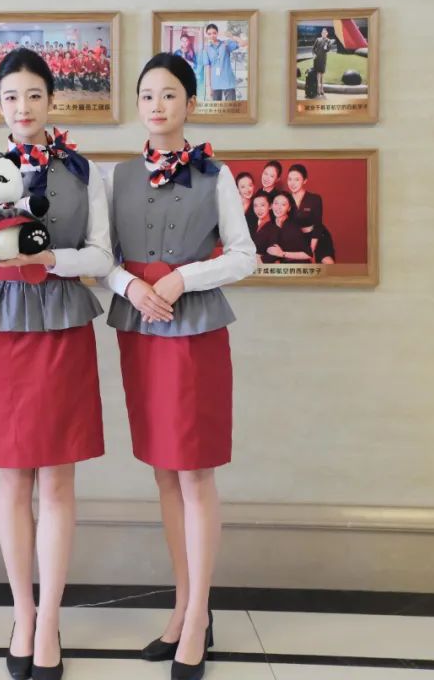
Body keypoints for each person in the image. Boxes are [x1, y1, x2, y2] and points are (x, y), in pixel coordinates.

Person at [102, 53, 255, 680]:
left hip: (194, 334)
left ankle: (197, 618)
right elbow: (101, 256)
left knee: (195, 474)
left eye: (169, 94)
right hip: (140, 330)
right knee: (164, 473)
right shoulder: (114, 178)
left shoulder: (216, 175)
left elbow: (244, 256)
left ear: (190, 104)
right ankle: (184, 607)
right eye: (147, 95)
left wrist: (183, 278)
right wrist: (129, 286)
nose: (156, 105)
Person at [0, 48, 112, 680]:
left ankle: (49, 618)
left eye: (33, 94)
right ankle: (22, 614)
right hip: (2, 327)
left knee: (56, 480)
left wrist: (50, 259)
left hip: (63, 323)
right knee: (11, 478)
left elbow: (102, 256)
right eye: (10, 97)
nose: (22, 107)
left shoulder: (83, 171)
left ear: (52, 99)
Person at [200, 23, 247, 102]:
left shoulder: (225, 44)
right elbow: (208, 68)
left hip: (228, 81)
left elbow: (244, 43)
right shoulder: (206, 49)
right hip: (215, 83)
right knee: (217, 108)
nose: (212, 35)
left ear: (217, 33)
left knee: (231, 107)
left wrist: (231, 36)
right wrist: (209, 87)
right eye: (209, 34)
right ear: (206, 35)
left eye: (214, 33)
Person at [266, 192, 311, 263]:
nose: (278, 207)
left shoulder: (293, 227)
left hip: (297, 266)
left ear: (289, 208)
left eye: (283, 204)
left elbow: (308, 254)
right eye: (276, 203)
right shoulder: (270, 224)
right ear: (271, 205)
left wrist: (282, 254)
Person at [311, 28, 336, 98]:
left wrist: (326, 47)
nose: (324, 34)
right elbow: (313, 48)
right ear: (321, 33)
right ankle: (318, 89)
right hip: (317, 58)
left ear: (327, 34)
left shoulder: (328, 41)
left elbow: (328, 49)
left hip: (323, 59)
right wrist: (313, 54)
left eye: (325, 33)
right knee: (318, 74)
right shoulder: (318, 39)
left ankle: (322, 89)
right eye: (323, 33)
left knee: (322, 74)